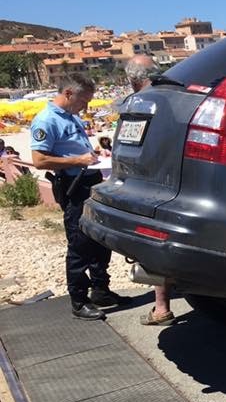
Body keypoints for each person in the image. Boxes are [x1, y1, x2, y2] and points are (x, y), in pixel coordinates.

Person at [30, 76, 126, 320]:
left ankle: (101, 290)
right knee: (80, 243)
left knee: (99, 240)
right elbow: (39, 160)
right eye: (84, 100)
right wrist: (77, 160)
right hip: (74, 186)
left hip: (90, 180)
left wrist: (92, 155)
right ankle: (79, 300)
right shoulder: (46, 119)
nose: (86, 106)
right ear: (69, 94)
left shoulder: (71, 116)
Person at [124, 55, 176, 326]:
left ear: (132, 79)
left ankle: (161, 308)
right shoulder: (169, 98)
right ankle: (161, 306)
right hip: (169, 180)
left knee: (153, 243)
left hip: (144, 183)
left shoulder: (134, 104)